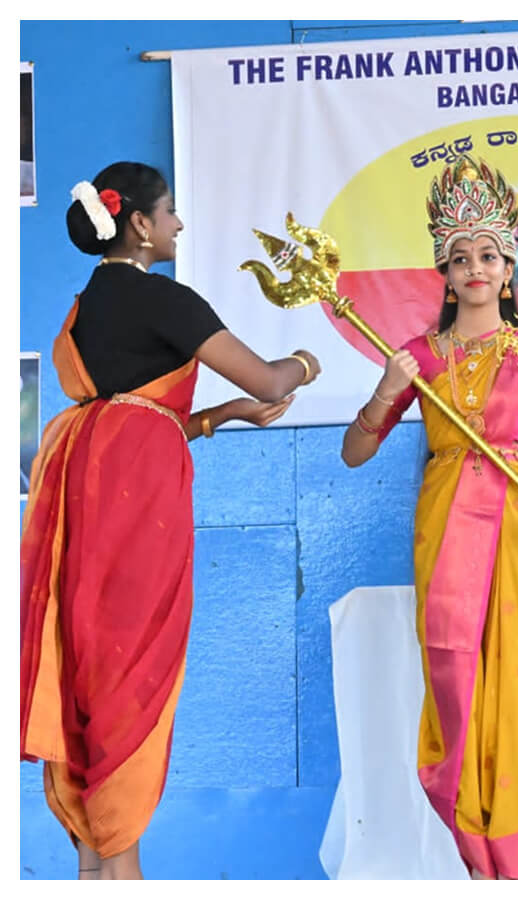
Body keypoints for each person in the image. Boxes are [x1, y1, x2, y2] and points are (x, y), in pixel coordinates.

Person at [22, 162, 318, 879]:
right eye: (171, 212)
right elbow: (269, 379)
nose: (179, 224)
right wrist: (307, 362)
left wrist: (220, 417)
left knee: (91, 663)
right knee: (132, 667)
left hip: (86, 502)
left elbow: (135, 419)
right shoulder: (165, 300)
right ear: (141, 225)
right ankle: (119, 864)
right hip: (136, 514)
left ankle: (98, 861)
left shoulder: (82, 309)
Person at [341, 154, 518, 880]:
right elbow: (354, 452)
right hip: (445, 529)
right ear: (442, 270)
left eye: (490, 254)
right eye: (460, 256)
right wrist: (386, 392)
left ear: (510, 268)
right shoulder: (418, 356)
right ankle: (472, 853)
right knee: (452, 673)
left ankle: (516, 862)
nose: (476, 266)